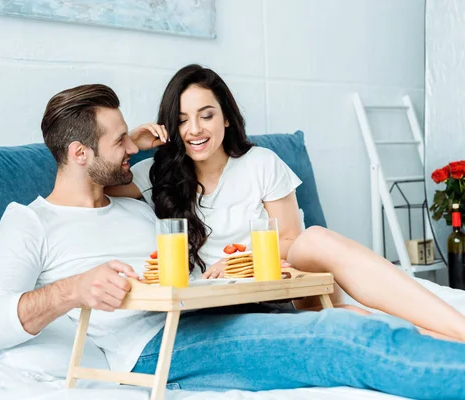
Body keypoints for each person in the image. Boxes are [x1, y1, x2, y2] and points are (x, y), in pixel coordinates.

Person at [0, 83, 465, 399]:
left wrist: (208, 278)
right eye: (121, 140)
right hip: (155, 345)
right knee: (344, 339)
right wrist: (73, 290)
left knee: (353, 322)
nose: (134, 147)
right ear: (79, 153)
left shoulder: (131, 203)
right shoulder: (31, 221)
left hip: (212, 311)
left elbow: (127, 184)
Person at [105, 64, 465, 342]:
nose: (195, 129)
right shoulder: (156, 175)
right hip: (223, 306)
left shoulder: (260, 163)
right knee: (357, 323)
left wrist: (241, 263)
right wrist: (134, 144)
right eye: (182, 120)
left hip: (284, 284)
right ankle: (441, 336)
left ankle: (454, 331)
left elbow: (293, 243)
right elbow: (94, 189)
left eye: (206, 115)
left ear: (226, 117)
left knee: (317, 241)